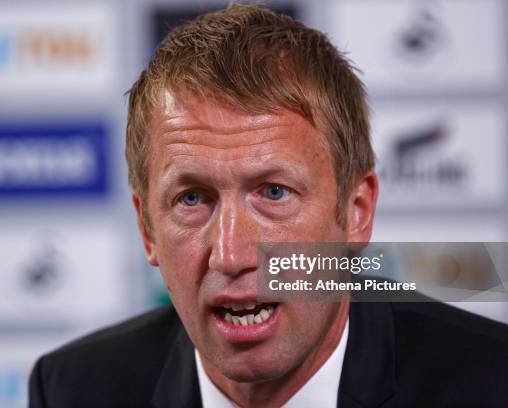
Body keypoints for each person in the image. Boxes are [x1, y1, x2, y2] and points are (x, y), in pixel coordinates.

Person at [29, 4, 508, 407]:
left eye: (274, 193)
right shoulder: (73, 390)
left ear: (356, 211)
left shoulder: (489, 381)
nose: (232, 255)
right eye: (192, 199)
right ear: (148, 229)